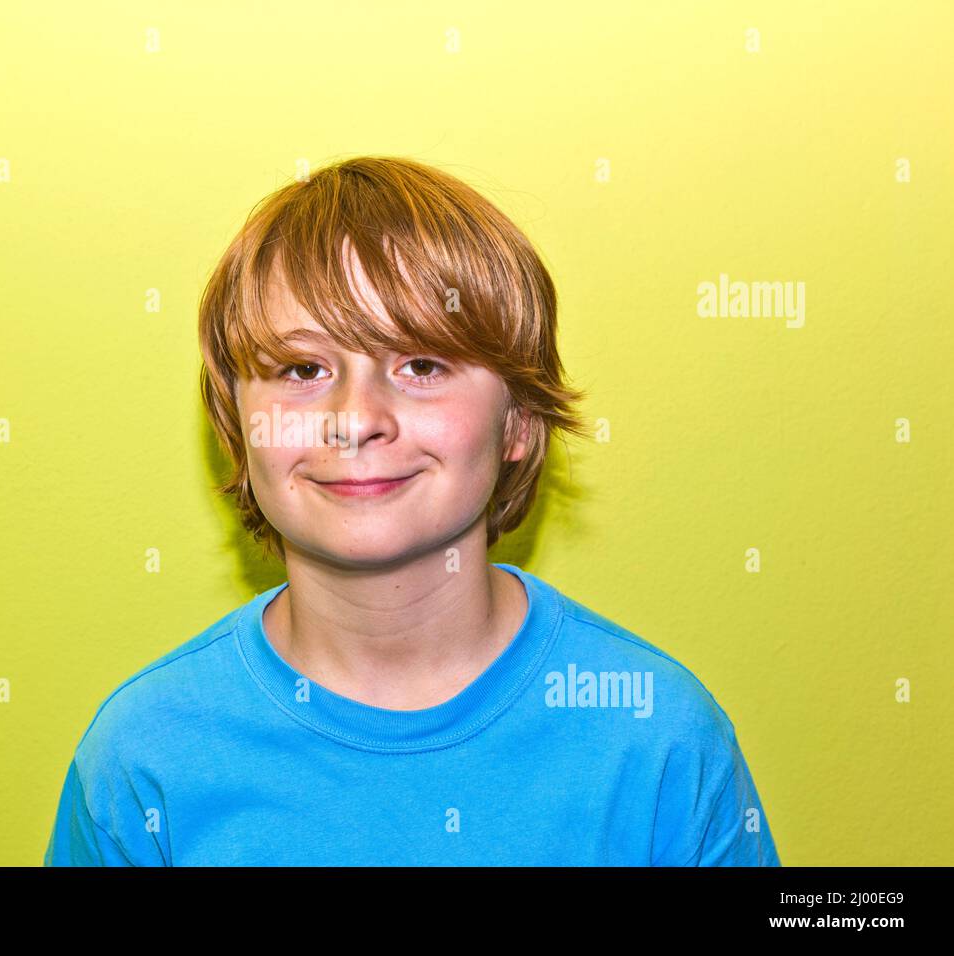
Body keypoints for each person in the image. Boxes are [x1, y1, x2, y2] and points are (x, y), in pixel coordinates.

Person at [44, 156, 780, 866]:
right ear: (239, 430)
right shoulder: (144, 757)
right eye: (303, 370)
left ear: (519, 422)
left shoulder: (658, 738)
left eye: (421, 365)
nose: (357, 418)